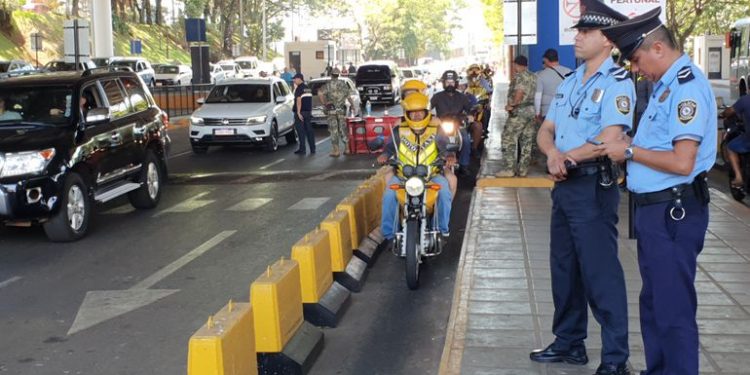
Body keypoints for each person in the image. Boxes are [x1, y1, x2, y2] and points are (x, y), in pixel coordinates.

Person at [596, 8, 717, 375]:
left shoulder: (686, 87)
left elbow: (682, 162)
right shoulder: (665, 87)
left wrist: (629, 151)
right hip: (656, 212)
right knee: (654, 305)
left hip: (673, 212)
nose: (635, 68)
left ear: (658, 49)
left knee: (672, 309)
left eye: (636, 58)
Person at [532, 1, 633, 374]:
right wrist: (553, 153)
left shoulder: (617, 84)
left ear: (606, 40)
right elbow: (546, 129)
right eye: (578, 30)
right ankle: (570, 342)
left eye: (585, 32)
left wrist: (566, 158)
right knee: (564, 268)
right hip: (565, 185)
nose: (577, 37)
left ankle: (615, 359)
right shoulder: (571, 81)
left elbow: (609, 139)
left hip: (592, 187)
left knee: (600, 273)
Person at [376, 92, 457, 249]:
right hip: (402, 177)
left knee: (444, 193)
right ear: (407, 114)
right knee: (389, 196)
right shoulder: (399, 131)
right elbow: (389, 148)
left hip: (431, 176)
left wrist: (449, 156)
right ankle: (389, 234)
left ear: (427, 112)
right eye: (413, 112)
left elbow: (445, 147)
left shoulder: (436, 130)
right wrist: (384, 155)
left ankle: (441, 230)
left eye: (420, 111)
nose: (417, 115)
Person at [496, 55, 537, 177]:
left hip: (520, 111)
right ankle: (523, 169)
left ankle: (509, 169)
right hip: (530, 111)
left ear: (517, 64)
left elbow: (519, 92)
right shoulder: (533, 76)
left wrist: (512, 105)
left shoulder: (520, 77)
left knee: (508, 138)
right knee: (526, 141)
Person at [430, 70, 478, 175]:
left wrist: (470, 115)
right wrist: (431, 117)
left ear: (456, 83)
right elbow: (427, 109)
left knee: (465, 139)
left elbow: (470, 109)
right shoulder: (437, 96)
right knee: (433, 139)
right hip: (441, 125)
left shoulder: (462, 97)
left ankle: (464, 165)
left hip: (458, 124)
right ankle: (433, 162)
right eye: (447, 82)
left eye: (452, 82)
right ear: (443, 83)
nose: (450, 84)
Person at [319, 67, 356, 157]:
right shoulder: (343, 84)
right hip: (341, 111)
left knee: (333, 130)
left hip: (331, 111)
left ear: (331, 75)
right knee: (343, 129)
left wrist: (325, 103)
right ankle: (347, 149)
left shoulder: (327, 85)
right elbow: (349, 97)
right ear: (338, 75)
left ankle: (336, 151)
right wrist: (353, 106)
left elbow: (320, 93)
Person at [721, 94, 750, 188]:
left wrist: (722, 114)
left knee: (730, 147)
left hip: (748, 139)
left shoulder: (745, 100)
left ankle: (738, 177)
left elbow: (729, 112)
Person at [292, 73, 316, 155]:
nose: (294, 80)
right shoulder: (307, 88)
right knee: (309, 131)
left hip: (301, 113)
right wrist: (310, 111)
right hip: (307, 112)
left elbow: (299, 100)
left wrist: (298, 112)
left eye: (295, 79)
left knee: (301, 131)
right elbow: (309, 100)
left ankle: (302, 149)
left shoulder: (299, 89)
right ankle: (313, 149)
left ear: (299, 79)